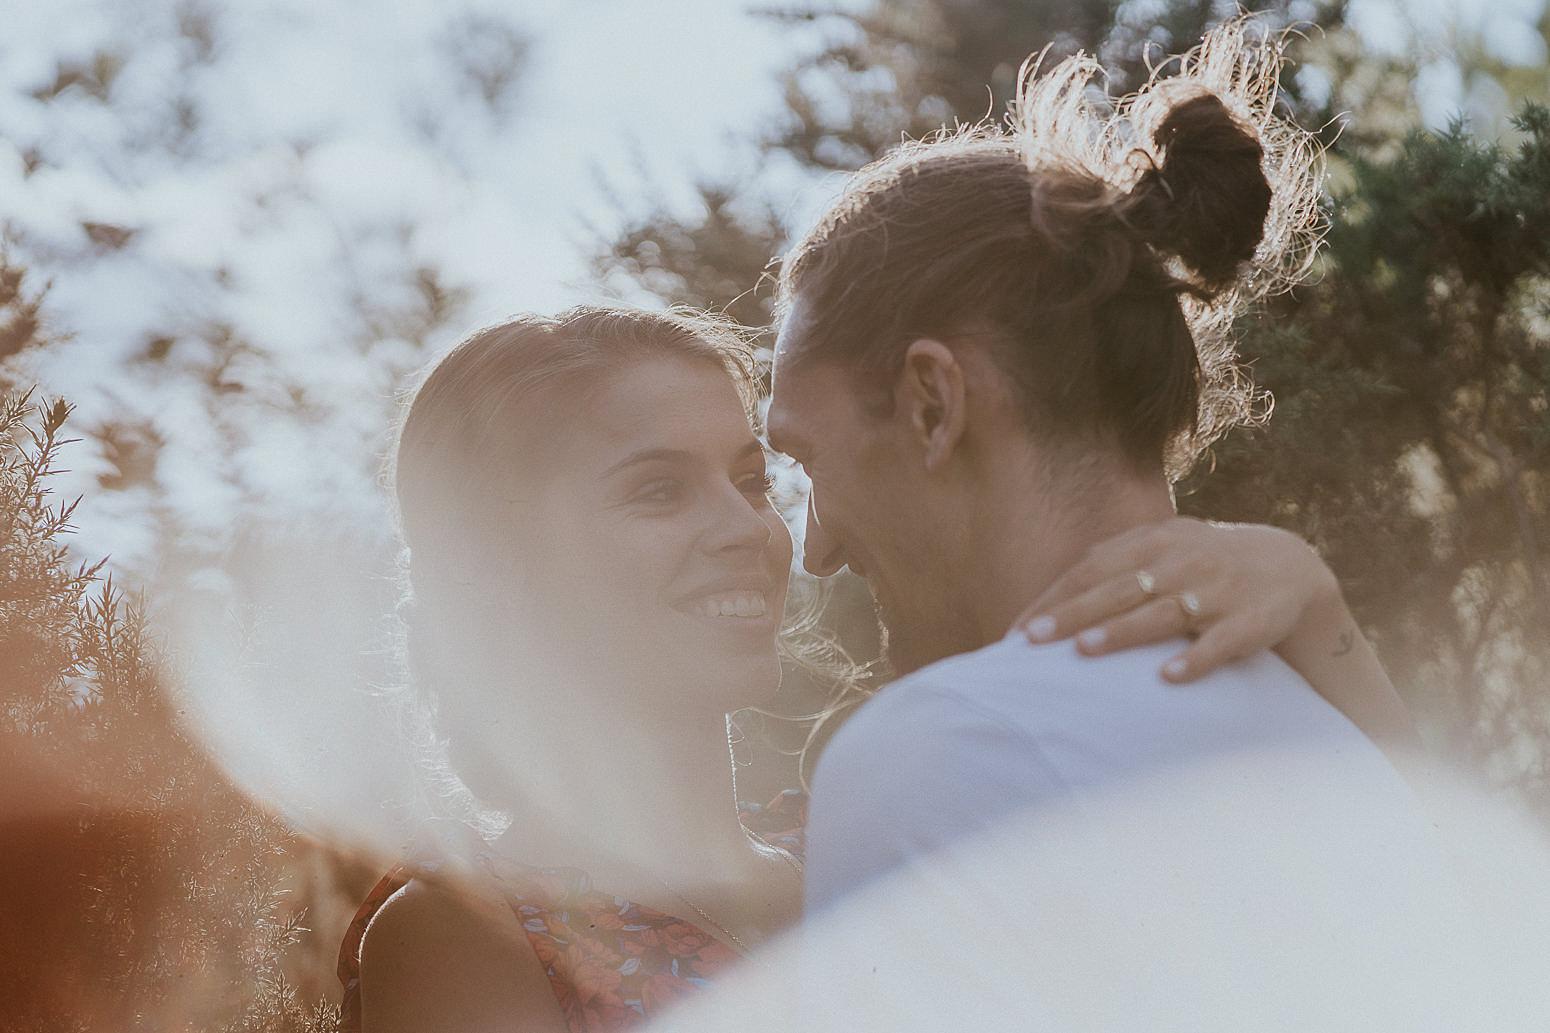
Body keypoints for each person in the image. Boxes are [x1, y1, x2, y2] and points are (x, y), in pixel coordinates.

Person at [770, 20, 1472, 1028]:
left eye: (806, 463)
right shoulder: (1340, 739)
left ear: (932, 403)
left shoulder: (942, 752)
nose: (818, 546)